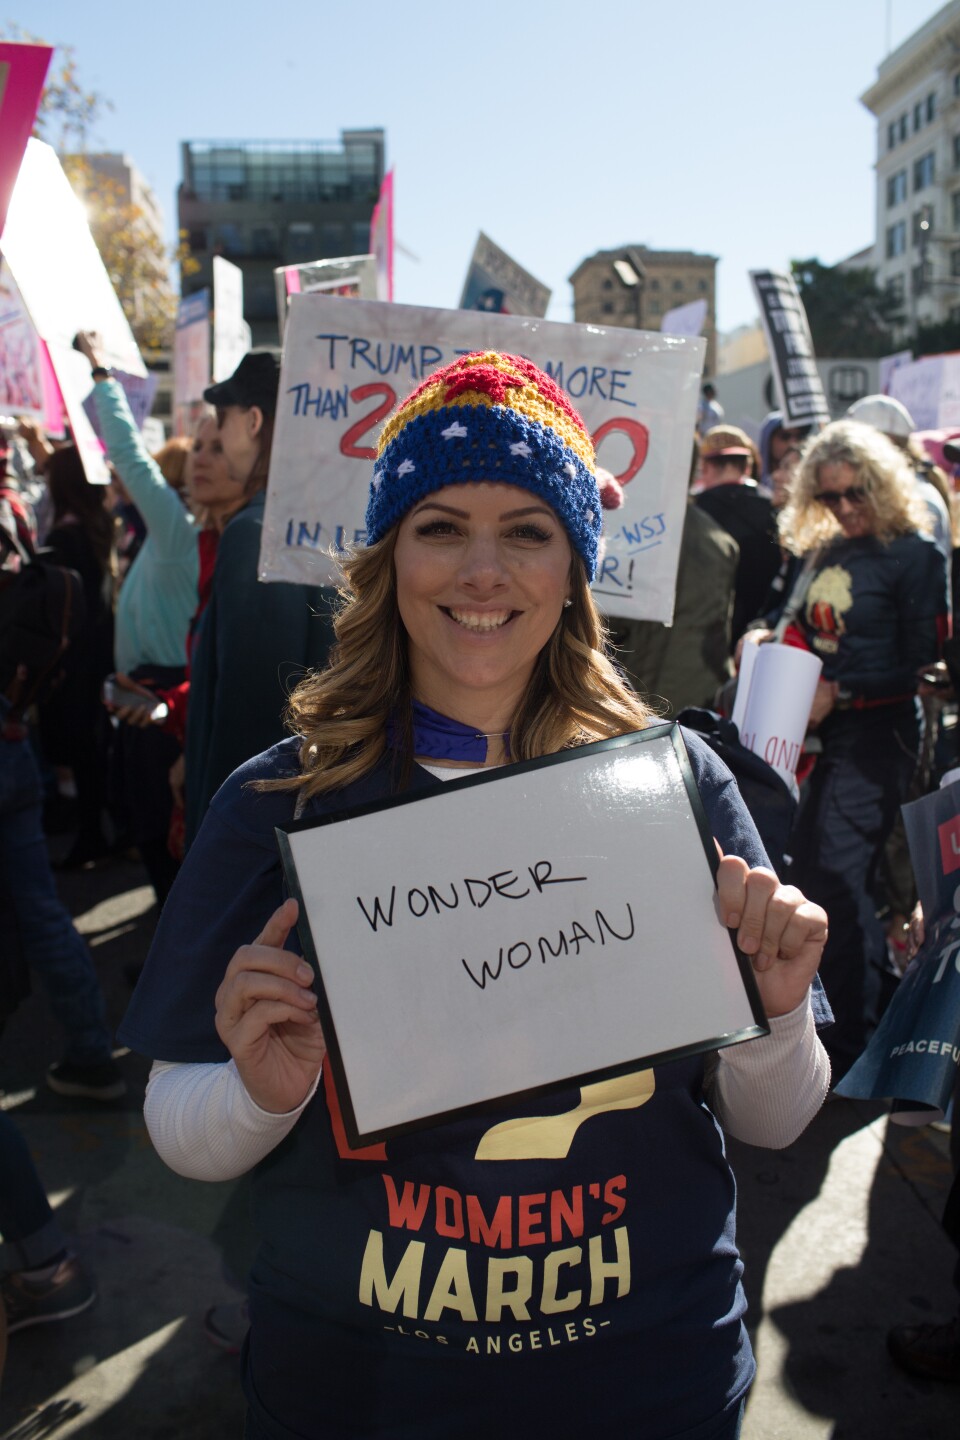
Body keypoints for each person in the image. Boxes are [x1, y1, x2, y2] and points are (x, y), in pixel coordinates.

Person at [121, 352, 831, 1440]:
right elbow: (180, 1125)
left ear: (576, 562)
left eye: (529, 530)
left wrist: (776, 1020)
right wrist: (264, 1094)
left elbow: (774, 1118)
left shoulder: (673, 787)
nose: (483, 572)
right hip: (359, 1390)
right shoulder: (282, 798)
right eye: (441, 525)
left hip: (652, 1380)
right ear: (389, 554)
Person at [770, 419, 947, 1079]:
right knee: (837, 879)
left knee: (833, 881)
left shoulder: (916, 555)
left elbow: (924, 665)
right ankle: (858, 1032)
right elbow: (782, 615)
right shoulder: (825, 550)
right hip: (813, 735)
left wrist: (840, 694)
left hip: (878, 738)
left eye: (854, 495)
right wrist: (763, 640)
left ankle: (853, 1048)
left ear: (880, 487)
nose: (843, 508)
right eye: (829, 497)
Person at [183, 351, 336, 845]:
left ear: (251, 421)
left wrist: (219, 845)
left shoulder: (257, 533)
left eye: (223, 420)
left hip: (253, 833)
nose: (218, 439)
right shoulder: (313, 525)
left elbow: (251, 711)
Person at [693, 426, 781, 646]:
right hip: (758, 631)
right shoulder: (774, 509)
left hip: (705, 635)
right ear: (748, 465)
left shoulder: (695, 510)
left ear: (706, 466)